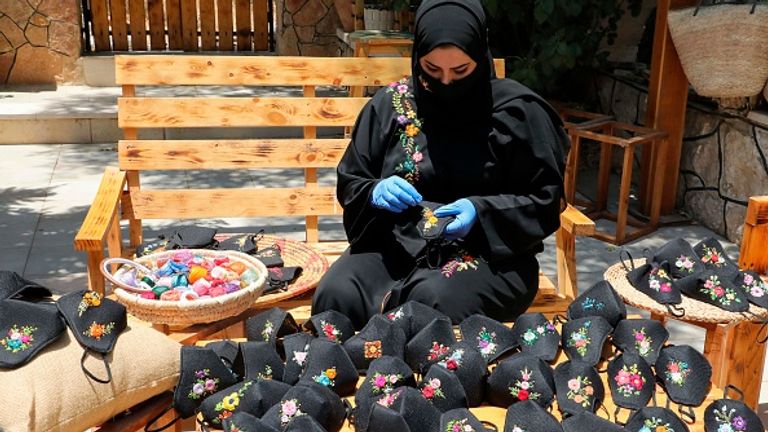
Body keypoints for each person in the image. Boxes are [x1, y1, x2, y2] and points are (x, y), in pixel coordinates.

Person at [311, 0, 569, 329]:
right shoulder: (392, 106)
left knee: (430, 304)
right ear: (417, 56)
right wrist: (375, 191)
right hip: (397, 244)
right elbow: (353, 179)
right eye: (432, 70)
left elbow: (544, 200)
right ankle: (342, 378)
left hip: (489, 254)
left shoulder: (516, 113)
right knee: (337, 294)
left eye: (461, 71)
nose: (447, 82)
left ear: (480, 54)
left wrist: (481, 212)